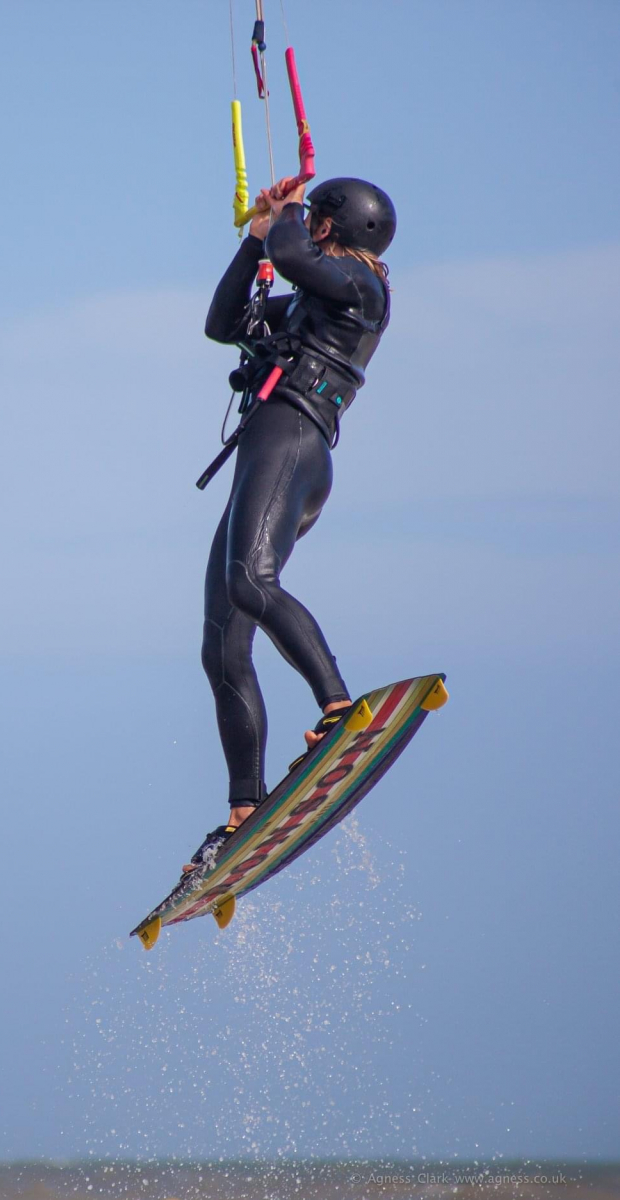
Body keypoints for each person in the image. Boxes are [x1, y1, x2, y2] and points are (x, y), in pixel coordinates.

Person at [183, 176, 395, 876]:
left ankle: (338, 705)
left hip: (292, 444)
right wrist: (253, 242)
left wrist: (283, 212)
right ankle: (245, 807)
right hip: (263, 451)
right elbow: (223, 324)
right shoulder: (311, 295)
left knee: (250, 580)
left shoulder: (359, 288)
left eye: (315, 220)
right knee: (221, 640)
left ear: (333, 226)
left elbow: (297, 253)